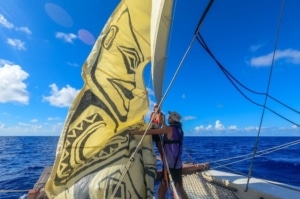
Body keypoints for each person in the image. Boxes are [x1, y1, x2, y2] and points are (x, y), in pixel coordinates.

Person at [132, 111, 188, 199]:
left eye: (170, 117)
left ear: (173, 120)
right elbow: (168, 131)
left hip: (169, 166)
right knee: (180, 188)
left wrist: (134, 133)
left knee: (161, 193)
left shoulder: (169, 129)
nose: (169, 118)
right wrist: (162, 122)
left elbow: (150, 132)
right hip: (177, 165)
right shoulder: (179, 130)